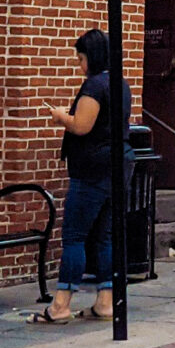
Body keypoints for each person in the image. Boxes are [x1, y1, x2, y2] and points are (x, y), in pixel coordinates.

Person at [34, 29, 129, 324]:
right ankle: (106, 301)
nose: (79, 64)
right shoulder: (120, 84)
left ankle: (60, 305)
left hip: (91, 170)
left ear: (92, 57)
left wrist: (61, 116)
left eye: (81, 58)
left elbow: (82, 126)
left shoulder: (94, 87)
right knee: (105, 237)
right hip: (118, 166)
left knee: (75, 236)